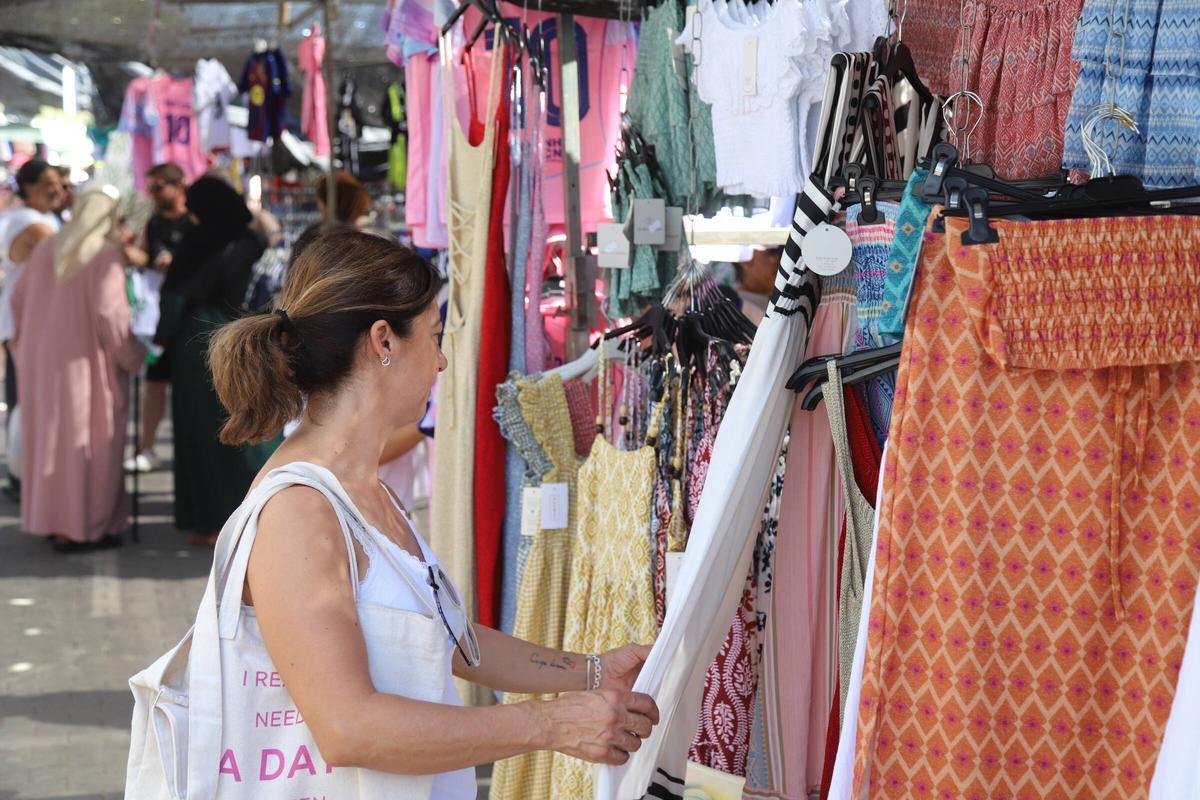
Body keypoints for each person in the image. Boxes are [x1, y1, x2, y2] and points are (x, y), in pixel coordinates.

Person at [206, 228, 658, 792]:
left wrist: (590, 670)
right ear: (383, 341)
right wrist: (552, 723)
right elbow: (348, 729)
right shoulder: (299, 512)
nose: (442, 362)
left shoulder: (361, 490)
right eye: (435, 335)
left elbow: (442, 635)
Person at [10, 184, 146, 552]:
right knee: (88, 443)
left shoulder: (45, 249)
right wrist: (135, 355)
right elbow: (111, 316)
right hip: (85, 367)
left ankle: (56, 522)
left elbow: (17, 302)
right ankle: (83, 527)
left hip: (42, 364)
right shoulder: (104, 257)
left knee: (52, 442)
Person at [155, 176, 278, 546]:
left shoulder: (199, 242)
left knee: (202, 432)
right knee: (242, 423)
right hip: (244, 337)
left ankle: (209, 522)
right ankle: (252, 512)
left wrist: (160, 338)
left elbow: (175, 297)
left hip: (198, 340)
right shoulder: (252, 241)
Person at [123, 163, 194, 473]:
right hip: (155, 317)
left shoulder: (193, 220)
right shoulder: (152, 223)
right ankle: (146, 446)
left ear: (178, 186)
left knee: (191, 386)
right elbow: (143, 255)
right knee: (154, 382)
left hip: (186, 314)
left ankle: (192, 451)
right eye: (149, 187)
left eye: (157, 187)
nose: (152, 193)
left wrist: (178, 263)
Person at [0, 159, 63, 499]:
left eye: (58, 182)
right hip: (29, 325)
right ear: (27, 188)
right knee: (29, 402)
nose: (57, 190)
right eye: (48, 184)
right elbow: (68, 259)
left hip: (27, 323)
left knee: (23, 400)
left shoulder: (33, 219)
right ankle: (23, 476)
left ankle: (22, 474)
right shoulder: (33, 224)